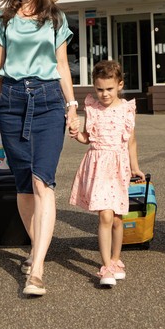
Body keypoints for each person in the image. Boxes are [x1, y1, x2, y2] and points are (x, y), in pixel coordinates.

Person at [0, 0, 77, 297]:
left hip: (48, 101)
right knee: (24, 186)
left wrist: (72, 107)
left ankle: (37, 268)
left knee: (43, 181)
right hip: (11, 101)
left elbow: (62, 66)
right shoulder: (4, 19)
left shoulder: (55, 18)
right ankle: (36, 246)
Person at [68, 59, 144, 288]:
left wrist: (135, 167)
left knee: (118, 219)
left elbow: (131, 141)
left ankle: (115, 259)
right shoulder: (92, 108)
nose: (104, 94)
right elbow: (87, 138)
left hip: (119, 167)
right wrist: (76, 135)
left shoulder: (127, 109)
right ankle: (106, 266)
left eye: (109, 89)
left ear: (120, 85)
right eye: (99, 89)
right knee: (105, 216)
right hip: (98, 166)